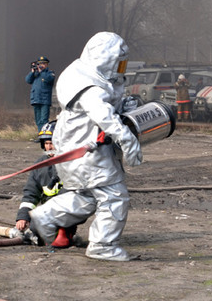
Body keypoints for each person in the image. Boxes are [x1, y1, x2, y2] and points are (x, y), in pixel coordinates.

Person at [30, 32, 143, 261]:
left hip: (76, 148)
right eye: (118, 63)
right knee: (114, 195)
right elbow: (104, 115)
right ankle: (103, 246)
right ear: (105, 58)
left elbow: (108, 105)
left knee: (86, 196)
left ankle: (45, 216)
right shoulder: (90, 85)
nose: (121, 68)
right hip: (86, 151)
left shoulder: (84, 73)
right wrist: (128, 141)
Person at [14, 120, 80, 248]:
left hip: (66, 213)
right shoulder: (40, 166)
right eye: (46, 144)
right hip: (47, 214)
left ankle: (65, 233)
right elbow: (30, 194)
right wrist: (23, 217)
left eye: (53, 143)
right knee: (35, 229)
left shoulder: (73, 164)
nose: (49, 147)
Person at [26, 56, 56, 132]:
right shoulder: (35, 74)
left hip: (45, 100)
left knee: (44, 120)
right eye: (39, 64)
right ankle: (40, 136)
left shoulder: (50, 73)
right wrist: (32, 72)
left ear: (47, 64)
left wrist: (41, 71)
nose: (41, 65)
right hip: (35, 99)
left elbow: (49, 79)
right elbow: (28, 80)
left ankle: (44, 136)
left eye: (43, 63)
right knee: (38, 120)